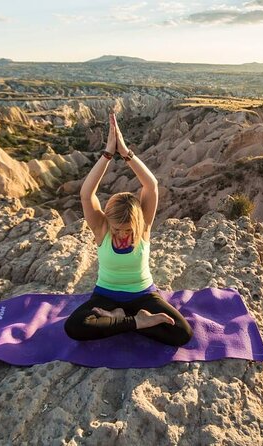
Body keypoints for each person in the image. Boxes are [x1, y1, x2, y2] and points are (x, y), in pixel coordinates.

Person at [64, 112, 193, 347]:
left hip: (144, 294)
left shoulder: (143, 226)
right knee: (74, 327)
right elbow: (86, 194)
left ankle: (122, 321)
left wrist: (125, 153)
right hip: (106, 296)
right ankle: (135, 323)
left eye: (128, 230)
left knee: (182, 333)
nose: (123, 234)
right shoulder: (101, 228)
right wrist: (106, 154)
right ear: (107, 221)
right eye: (118, 230)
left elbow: (151, 185)